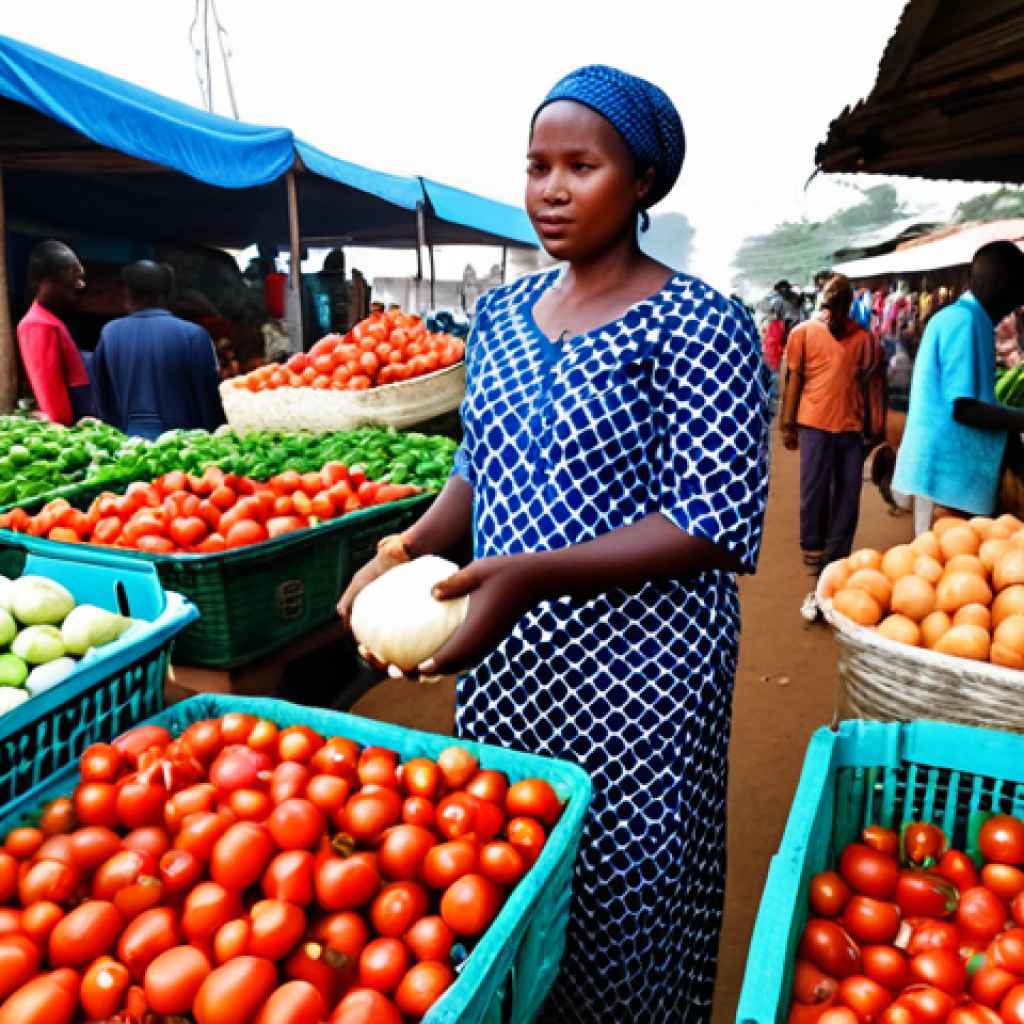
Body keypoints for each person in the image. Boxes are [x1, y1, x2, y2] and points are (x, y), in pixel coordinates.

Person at [338, 64, 770, 1023]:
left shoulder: (703, 323)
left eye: (584, 165)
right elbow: (477, 468)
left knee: (629, 888)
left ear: (645, 181)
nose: (553, 190)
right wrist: (404, 552)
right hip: (508, 662)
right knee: (504, 869)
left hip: (644, 673)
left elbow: (711, 518)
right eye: (537, 166)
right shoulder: (499, 314)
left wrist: (529, 575)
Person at [892, 241, 1024, 526]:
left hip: (951, 477)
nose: (1015, 305)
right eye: (1017, 293)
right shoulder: (964, 322)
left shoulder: (970, 319)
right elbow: (964, 408)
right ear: (1004, 288)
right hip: (945, 477)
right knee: (948, 558)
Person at [780, 275, 874, 572]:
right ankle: (812, 546)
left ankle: (838, 553)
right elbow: (794, 378)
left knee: (849, 492)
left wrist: (874, 429)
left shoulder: (863, 339)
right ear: (825, 306)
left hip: (850, 425)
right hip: (814, 423)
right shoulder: (803, 333)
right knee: (814, 487)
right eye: (832, 308)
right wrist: (788, 423)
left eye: (841, 308)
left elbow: (870, 385)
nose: (835, 315)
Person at [91, 261, 226, 439]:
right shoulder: (194, 335)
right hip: (185, 448)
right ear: (168, 295)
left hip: (130, 447)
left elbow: (102, 396)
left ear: (127, 293)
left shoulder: (110, 333)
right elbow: (208, 401)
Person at [16, 240, 92, 426]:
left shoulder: (50, 321)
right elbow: (55, 409)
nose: (81, 285)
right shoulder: (39, 325)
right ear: (58, 276)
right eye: (76, 276)